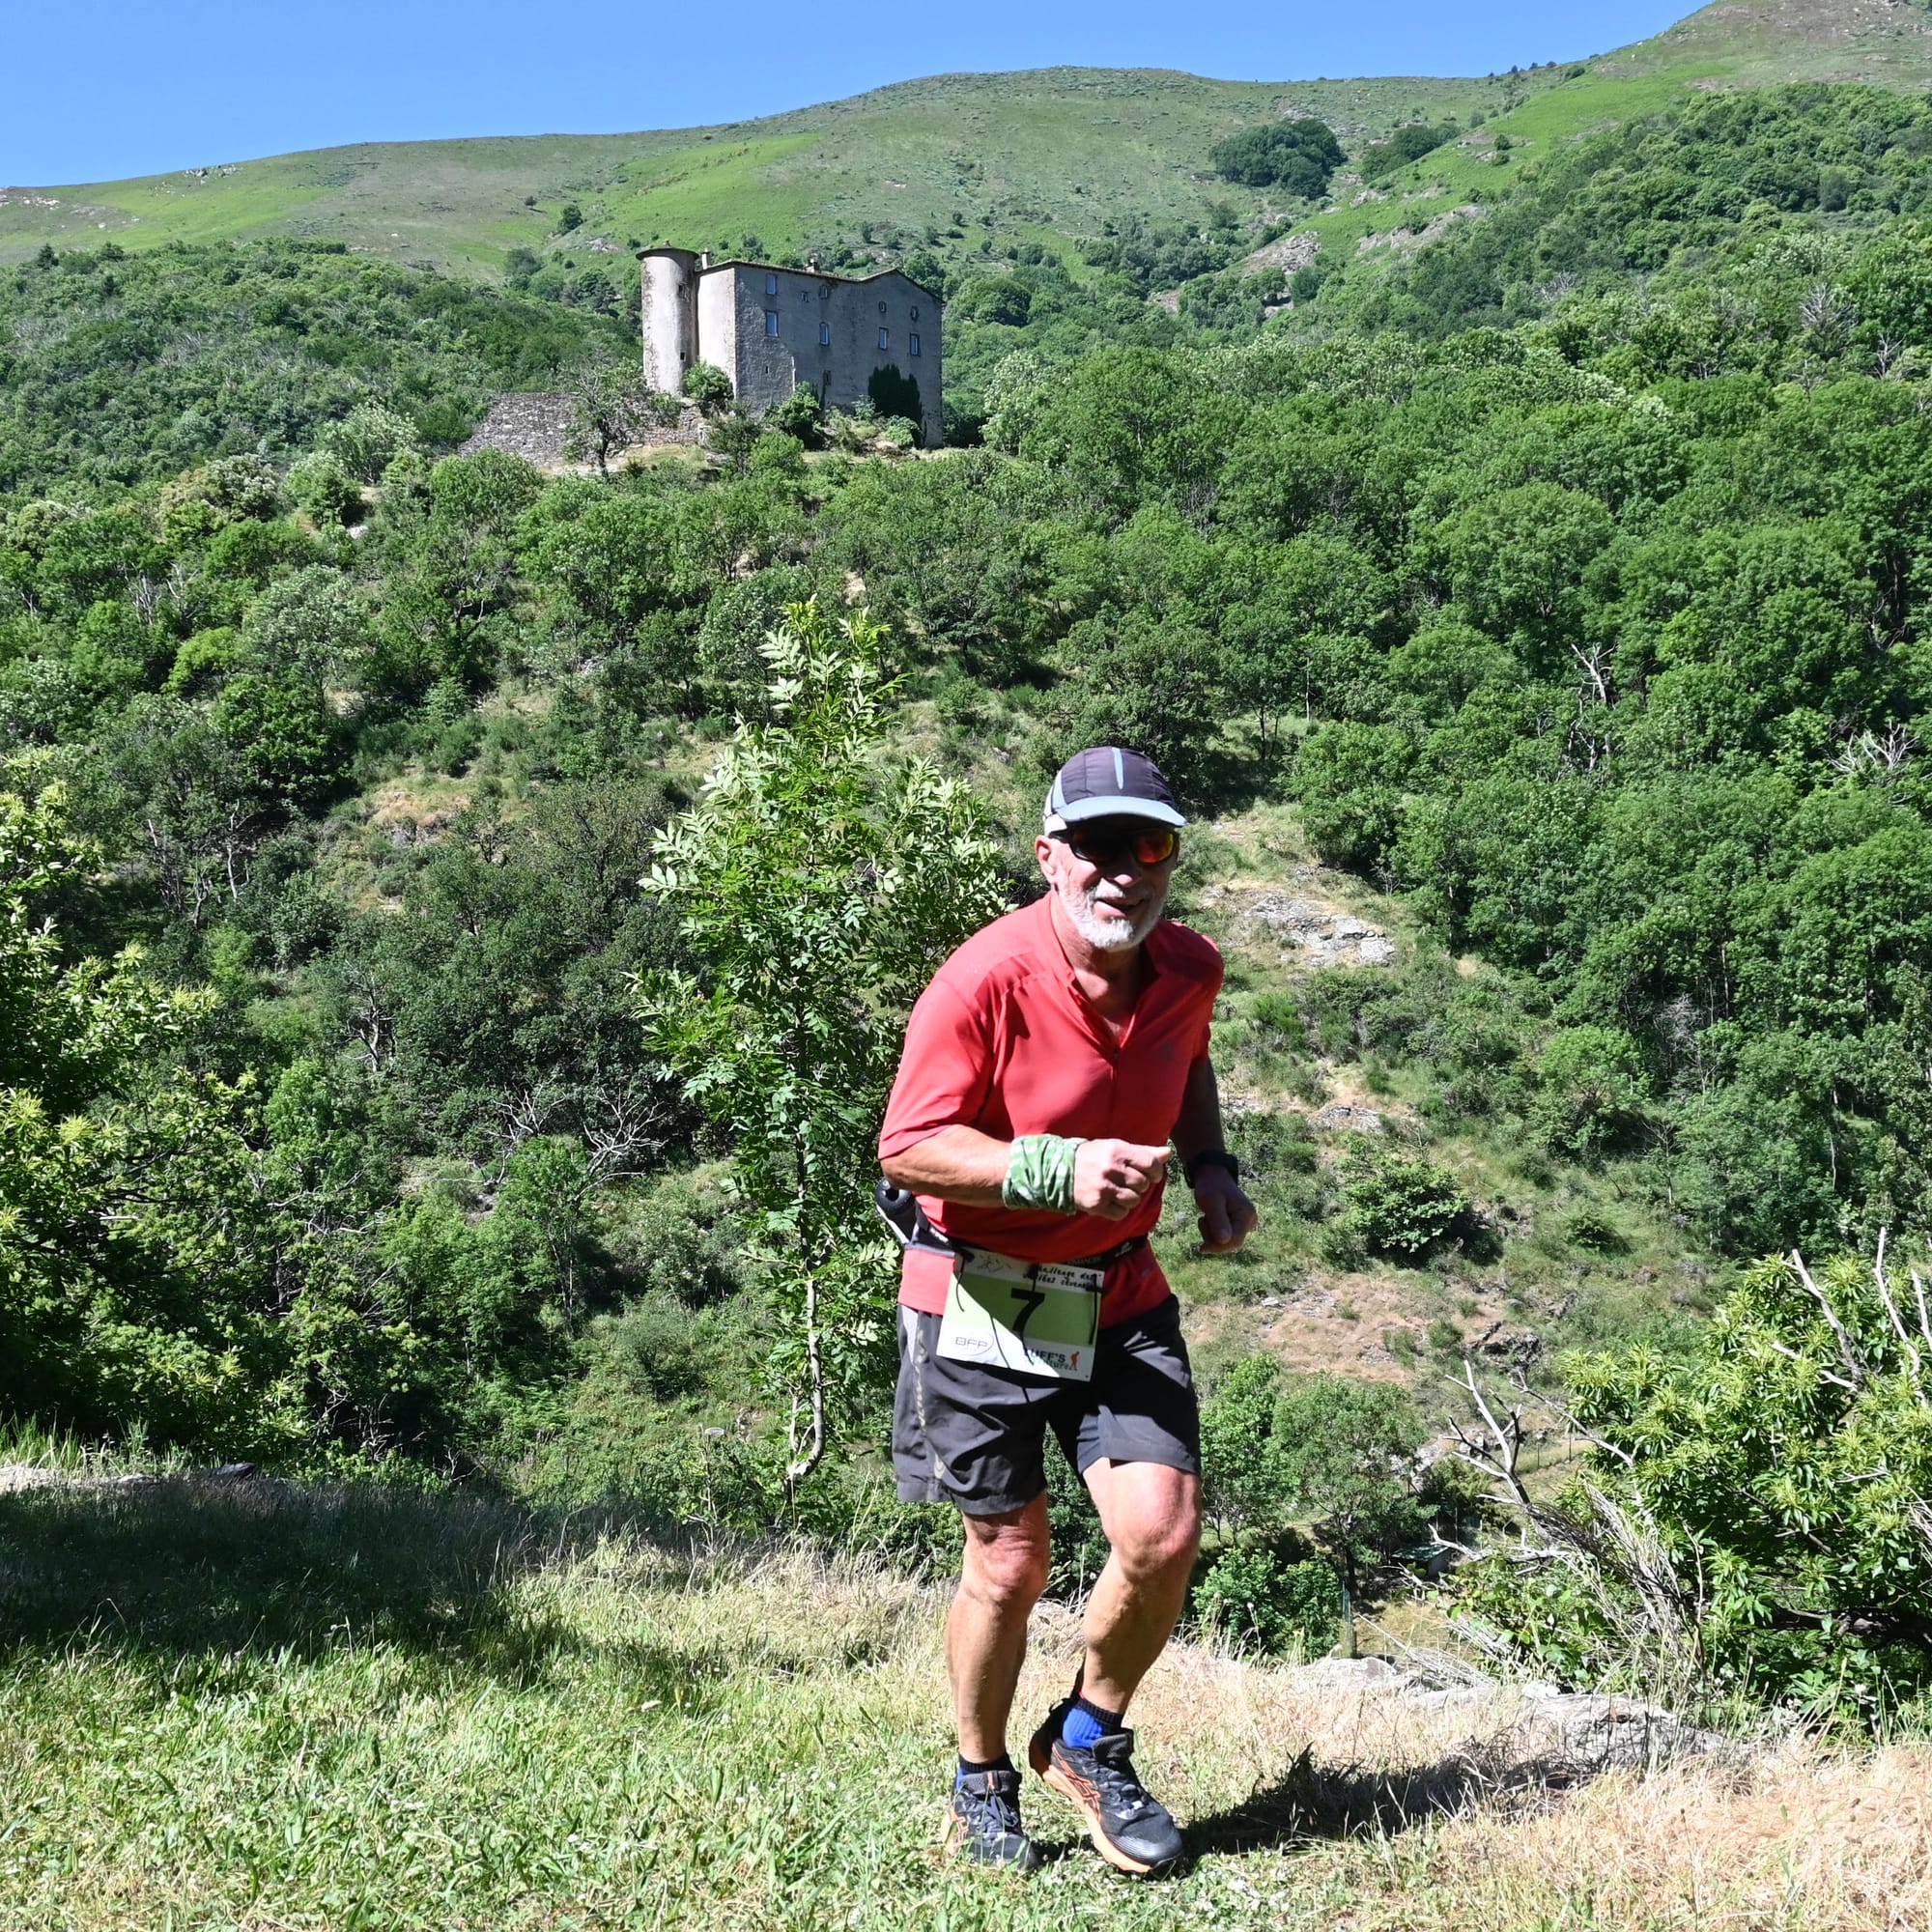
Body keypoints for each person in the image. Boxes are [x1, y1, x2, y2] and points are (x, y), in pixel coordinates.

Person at [877, 745, 1258, 1876]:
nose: (1119, 870)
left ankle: (1086, 1736)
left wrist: (1210, 1164)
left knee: (1161, 1535)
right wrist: (1050, 1169)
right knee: (1008, 1559)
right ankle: (980, 1775)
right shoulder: (980, 979)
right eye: (1092, 844)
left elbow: (1185, 1060)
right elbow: (907, 1144)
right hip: (983, 1287)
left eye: (1147, 845)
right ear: (1047, 855)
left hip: (1120, 1288)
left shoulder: (1187, 966)